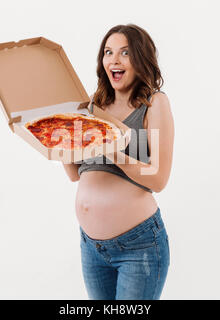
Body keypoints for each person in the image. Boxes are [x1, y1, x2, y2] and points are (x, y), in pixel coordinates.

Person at [62, 24, 175, 300]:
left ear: (140, 58)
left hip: (140, 247)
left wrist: (111, 151)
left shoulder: (154, 104)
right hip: (91, 247)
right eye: (108, 52)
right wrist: (62, 139)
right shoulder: (91, 106)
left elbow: (159, 179)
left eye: (124, 53)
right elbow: (75, 174)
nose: (114, 59)